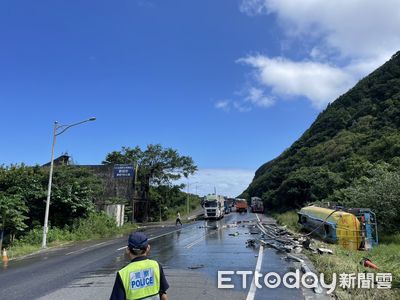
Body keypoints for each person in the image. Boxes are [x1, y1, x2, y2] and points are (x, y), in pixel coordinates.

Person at [110, 232, 169, 300]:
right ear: (148, 248)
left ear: (128, 250)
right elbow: (163, 295)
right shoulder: (156, 266)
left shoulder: (123, 274)